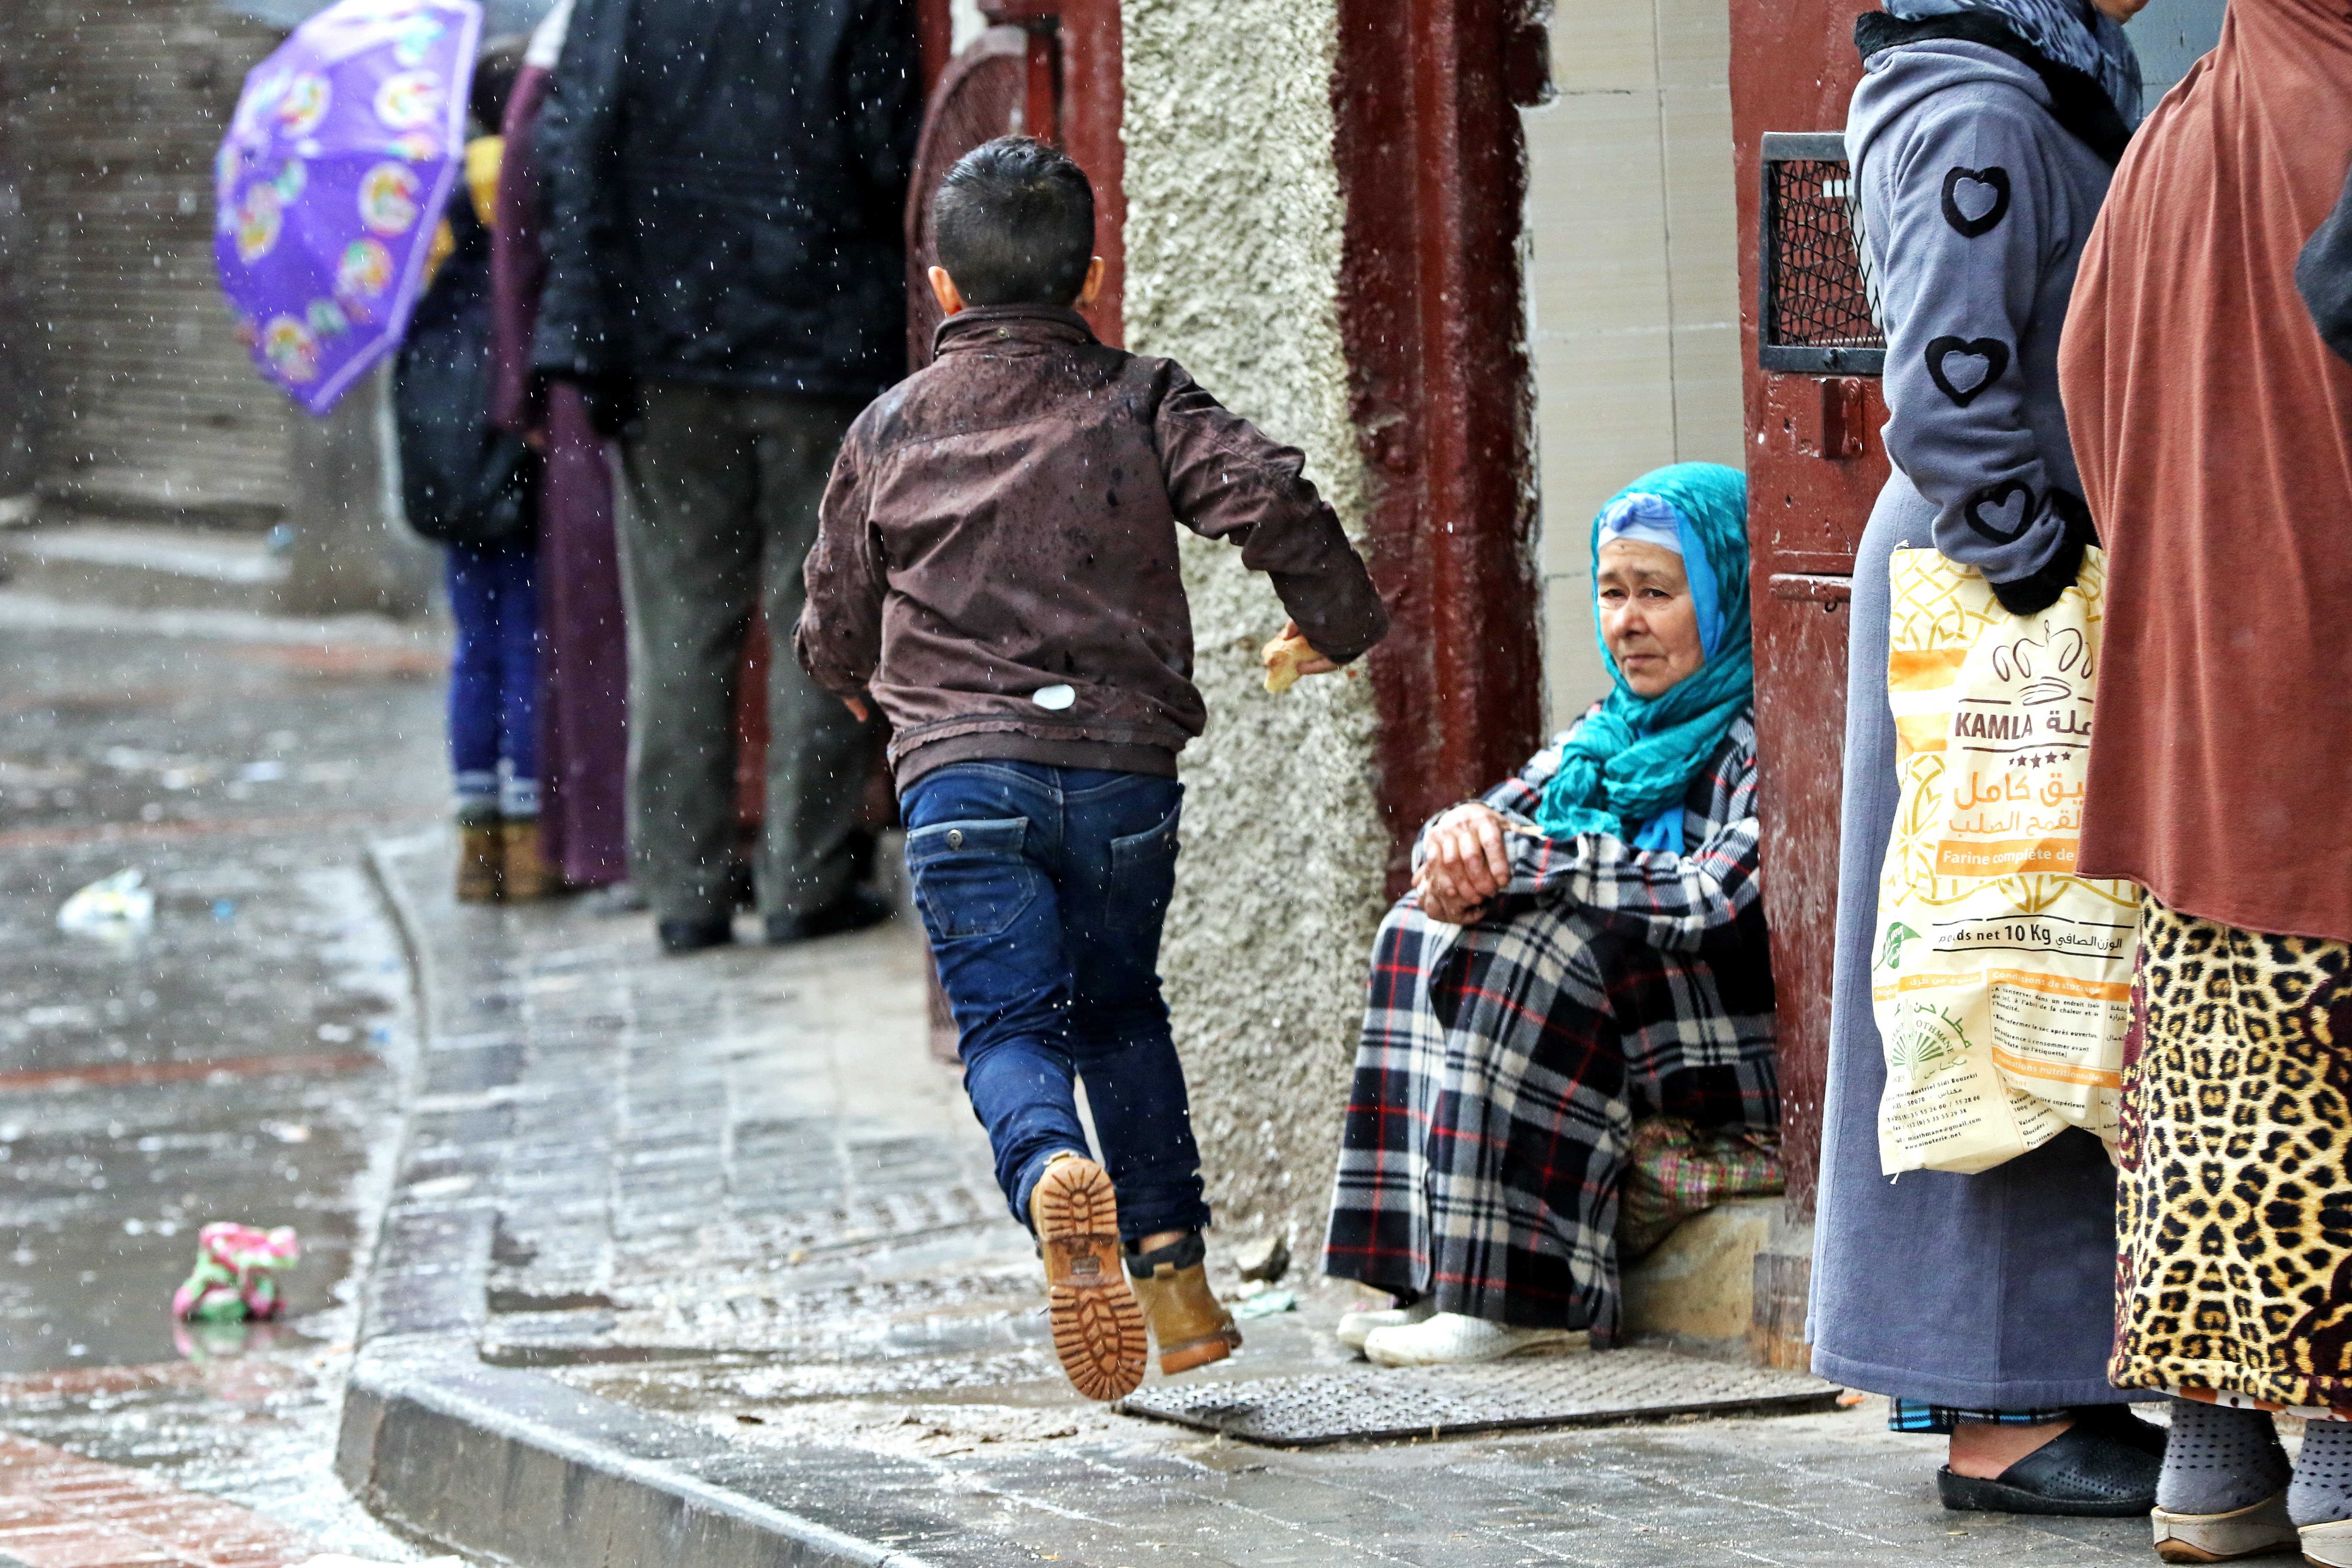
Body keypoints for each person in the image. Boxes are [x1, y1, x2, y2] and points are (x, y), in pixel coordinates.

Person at [795, 137, 1390, 1404]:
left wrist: (867, 683)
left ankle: (1054, 1173)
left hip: (961, 782)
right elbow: (1270, 494)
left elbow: (836, 611)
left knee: (1011, 1027)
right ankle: (1174, 1282)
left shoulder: (892, 427)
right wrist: (1333, 623)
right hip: (1122, 776)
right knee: (1122, 1008)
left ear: (942, 287)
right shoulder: (1140, 397)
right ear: (1094, 275)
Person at [1807, 0, 2165, 1519]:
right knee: (1992, 964)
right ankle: (1999, 1410)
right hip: (1989, 593)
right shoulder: (1979, 105)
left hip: (1993, 582)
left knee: (2025, 961)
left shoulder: (1997, 78)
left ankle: (2032, 1375)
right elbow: (1950, 394)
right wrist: (2038, 575)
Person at [2058, 3, 2352, 1561]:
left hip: (2205, 709)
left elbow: (2089, 386)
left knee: (2221, 1094)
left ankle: (2219, 1471)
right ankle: (2348, 1466)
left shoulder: (2185, 121)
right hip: (2328, 704)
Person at [1319, 464, 1777, 1368]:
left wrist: (1538, 861)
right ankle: (1428, 1276)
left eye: (1658, 594)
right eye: (1612, 592)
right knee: (1420, 927)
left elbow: (1713, 895)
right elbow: (1488, 822)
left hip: (1732, 1046)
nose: (1627, 623)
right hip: (1631, 1028)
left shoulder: (1762, 733)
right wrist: (1452, 848)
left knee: (1540, 948)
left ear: (1727, 594)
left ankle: (1521, 1302)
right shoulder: (1608, 732)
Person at [531, 0, 921, 953]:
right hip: (818, 341)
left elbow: (572, 150)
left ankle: (685, 889)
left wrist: (589, 333)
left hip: (662, 345)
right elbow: (890, 156)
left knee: (680, 626)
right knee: (820, 615)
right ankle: (804, 879)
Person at [395, 42, 551, 904]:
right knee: (529, 638)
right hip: (508, 426)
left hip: (444, 443)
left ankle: (478, 848)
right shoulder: (525, 178)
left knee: (476, 645)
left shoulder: (422, 202)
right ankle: (531, 847)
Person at [488, 0, 632, 899]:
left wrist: (528, 383)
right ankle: (618, 840)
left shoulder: (564, 65)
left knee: (601, 624)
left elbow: (522, 245)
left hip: (590, 366)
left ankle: (603, 841)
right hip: (618, 365)